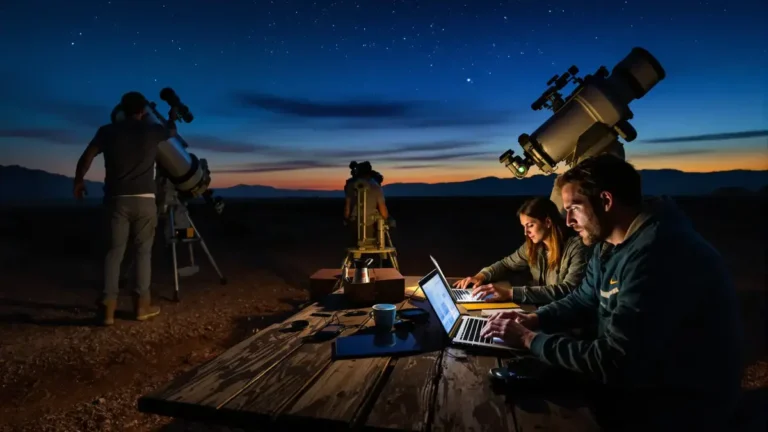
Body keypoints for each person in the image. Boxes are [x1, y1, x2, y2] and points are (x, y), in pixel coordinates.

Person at [480, 154, 744, 430]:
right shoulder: (609, 244)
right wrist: (534, 320)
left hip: (679, 405)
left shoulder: (658, 253)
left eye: (574, 208)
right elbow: (584, 298)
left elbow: (615, 360)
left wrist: (528, 340)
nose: (567, 220)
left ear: (606, 201)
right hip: (640, 383)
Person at [73, 91, 178, 326]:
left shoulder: (107, 131)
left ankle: (108, 309)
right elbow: (172, 132)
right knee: (143, 252)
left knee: (114, 252)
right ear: (143, 111)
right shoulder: (152, 132)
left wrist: (78, 180)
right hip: (144, 200)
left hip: (116, 200)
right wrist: (171, 115)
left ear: (121, 109)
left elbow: (87, 156)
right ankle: (142, 307)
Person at [453, 197, 590, 305]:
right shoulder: (533, 246)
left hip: (563, 322)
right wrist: (481, 276)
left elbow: (567, 290)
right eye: (524, 226)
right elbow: (506, 264)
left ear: (548, 222)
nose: (526, 232)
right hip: (538, 310)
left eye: (530, 225)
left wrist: (511, 293)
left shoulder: (576, 248)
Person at [343, 161, 391, 242]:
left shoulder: (351, 185)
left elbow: (347, 211)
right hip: (371, 225)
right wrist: (387, 220)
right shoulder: (376, 186)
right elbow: (383, 211)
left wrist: (347, 220)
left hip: (354, 224)